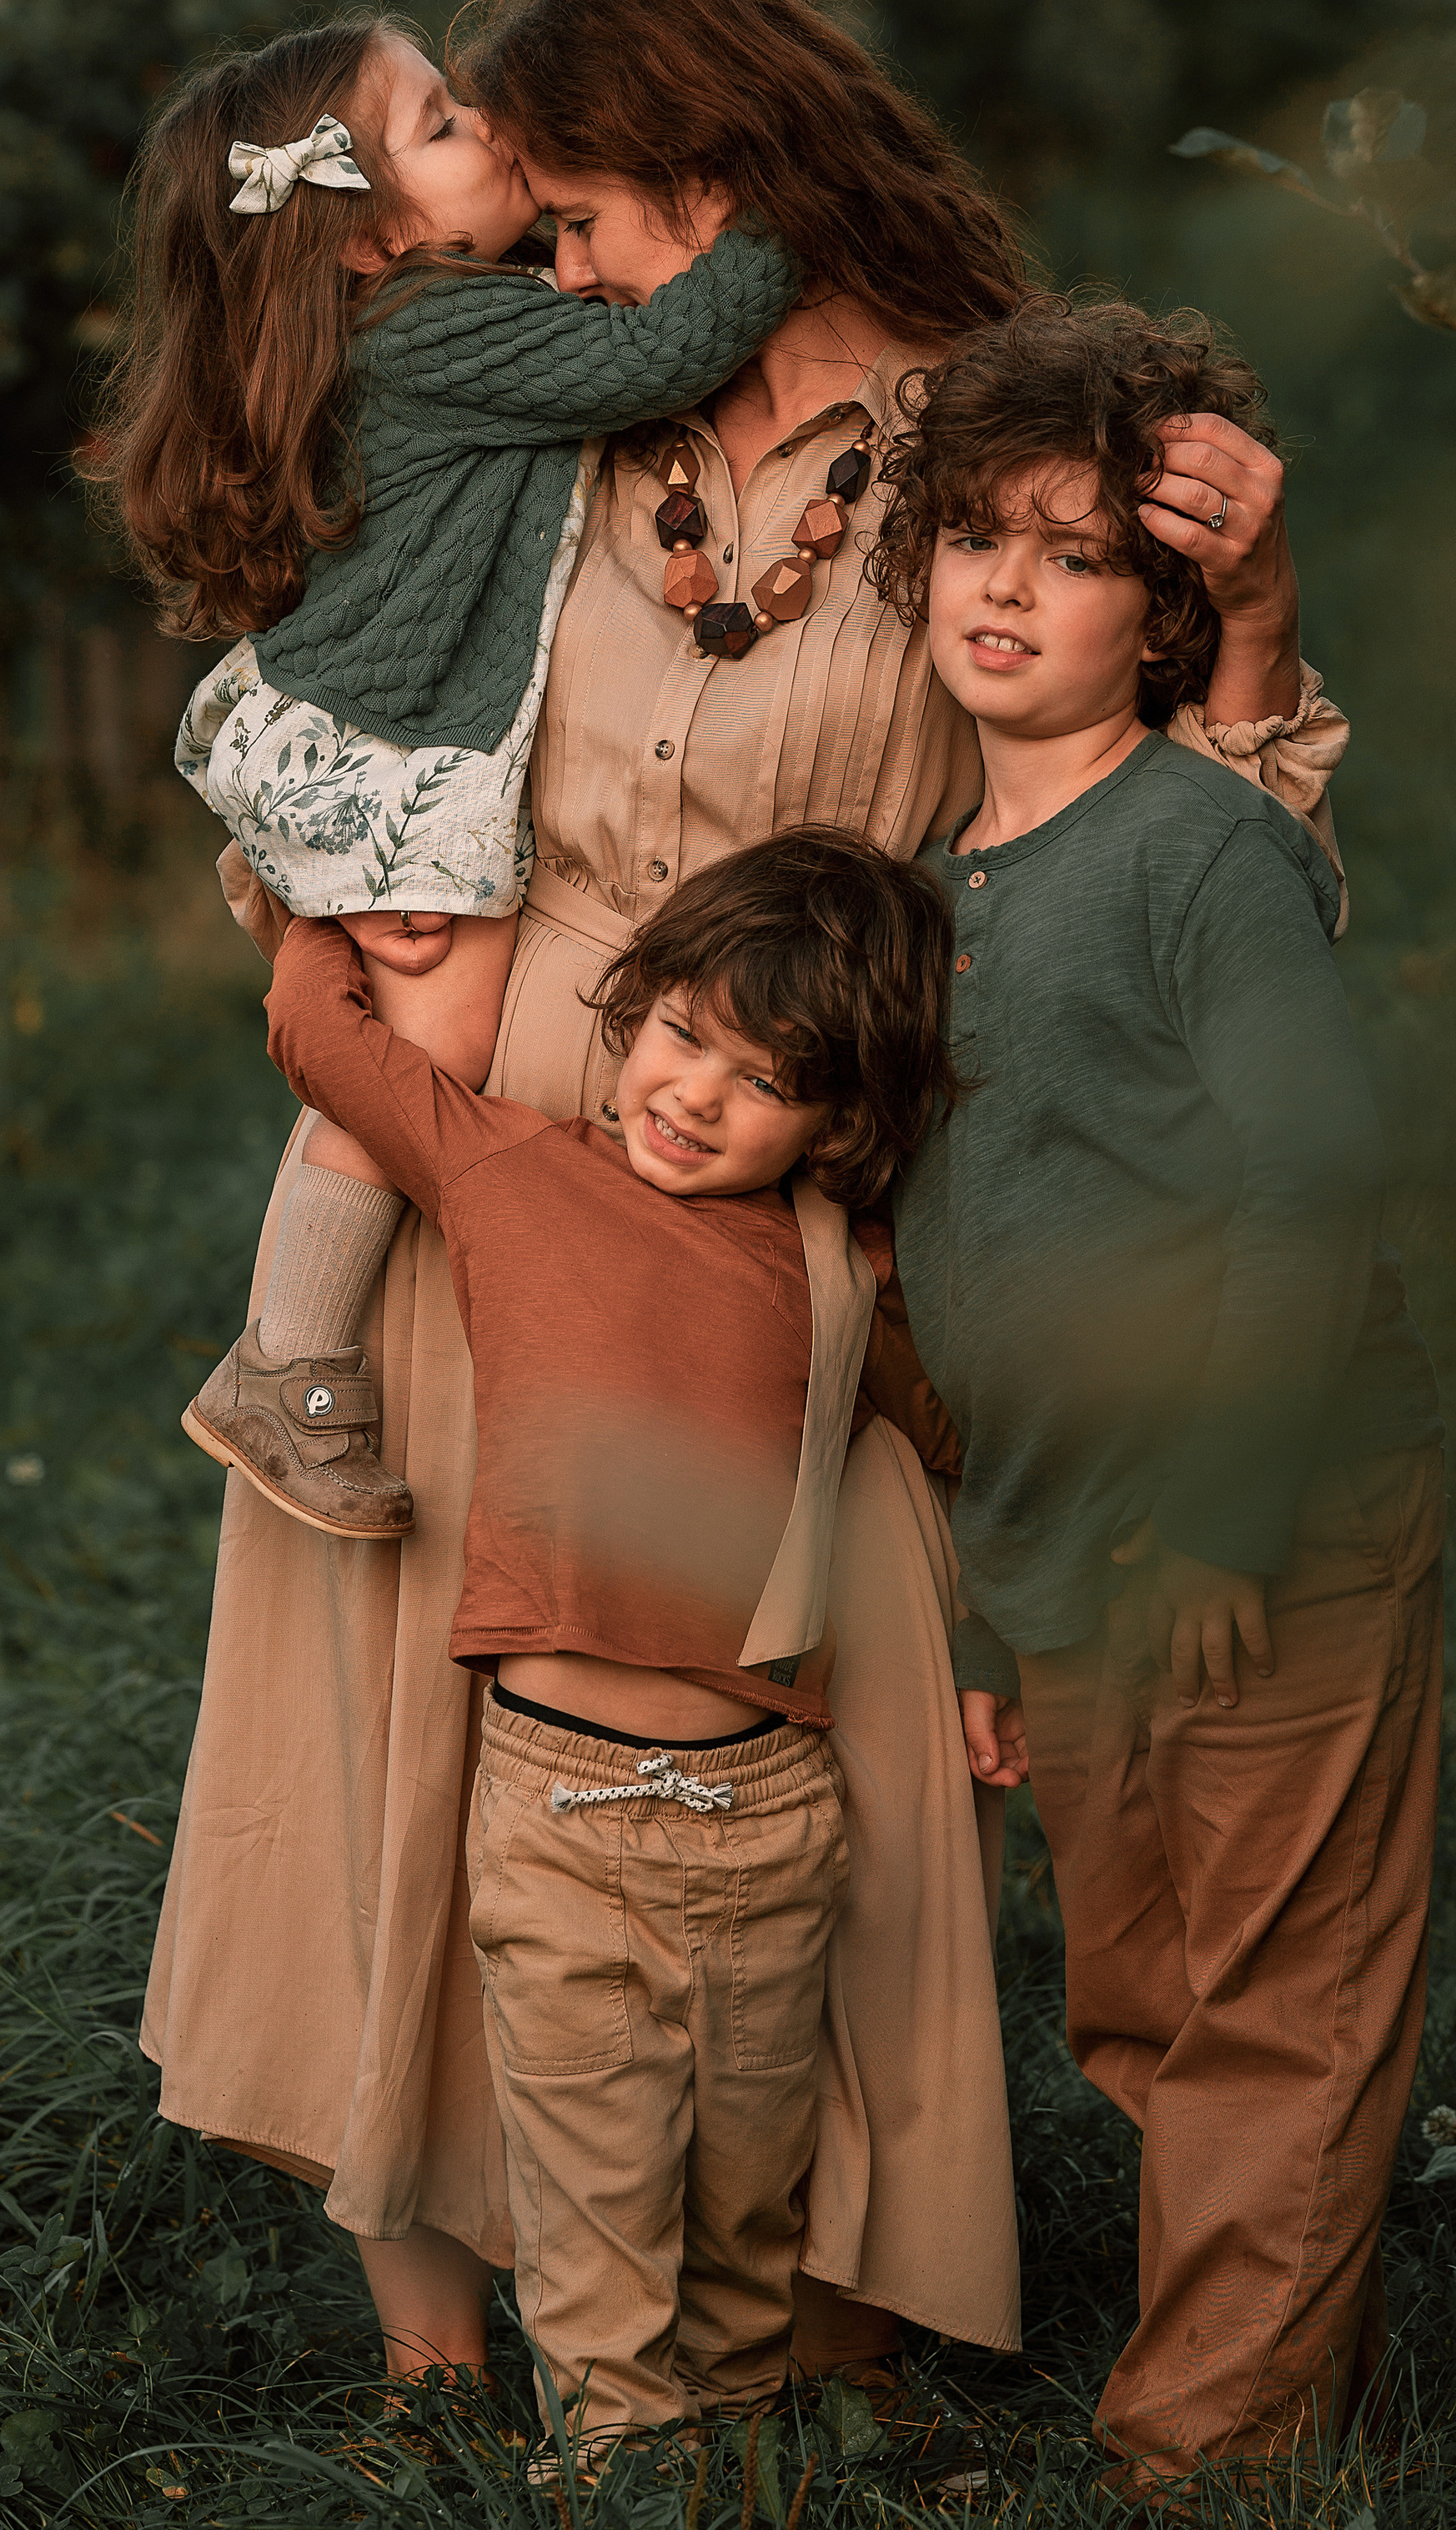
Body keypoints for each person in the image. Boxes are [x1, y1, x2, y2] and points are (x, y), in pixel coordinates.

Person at [140, 0, 1350, 2392]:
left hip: (784, 1235)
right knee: (418, 1755)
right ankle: (451, 2324)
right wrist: (306, 910)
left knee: (825, 1761)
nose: (541, 248)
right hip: (473, 1175)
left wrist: (1256, 627)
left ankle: (803, 2289)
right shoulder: (531, 413)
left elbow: (1176, 844)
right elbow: (352, 696)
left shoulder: (983, 453)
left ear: (711, 175)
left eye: (578, 208)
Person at [871, 295, 1445, 2497]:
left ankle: (1198, 2463)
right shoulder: (946, 897)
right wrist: (1008, 1611)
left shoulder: (1201, 845)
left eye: (1079, 552)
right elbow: (968, 1264)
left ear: (1165, 613)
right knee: (1145, 2003)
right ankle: (1300, 2382)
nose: (1010, 589)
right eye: (979, 541)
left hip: (1268, 1513)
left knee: (1271, 2018)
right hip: (1076, 1545)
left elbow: (1313, 1178)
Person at [260, 831, 958, 2449]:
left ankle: (729, 2455)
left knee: (739, 2226)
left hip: (772, 1828)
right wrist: (315, 888)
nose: (694, 1093)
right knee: (594, 2225)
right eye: (679, 1033)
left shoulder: (833, 1264)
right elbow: (320, 1040)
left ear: (839, 1123)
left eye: (761, 1076)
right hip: (560, 1816)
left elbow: (944, 1440)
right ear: (627, 1010)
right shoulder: (515, 1169)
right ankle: (618, 2470)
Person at [98, 13, 794, 1537]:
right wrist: (790, 218)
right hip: (388, 744)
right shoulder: (433, 335)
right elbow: (665, 350)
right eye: (439, 123)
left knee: (421, 1029)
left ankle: (299, 1352)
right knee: (438, 1036)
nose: (489, 126)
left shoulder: (424, 324)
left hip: (354, 727)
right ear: (369, 239)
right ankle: (288, 1356)